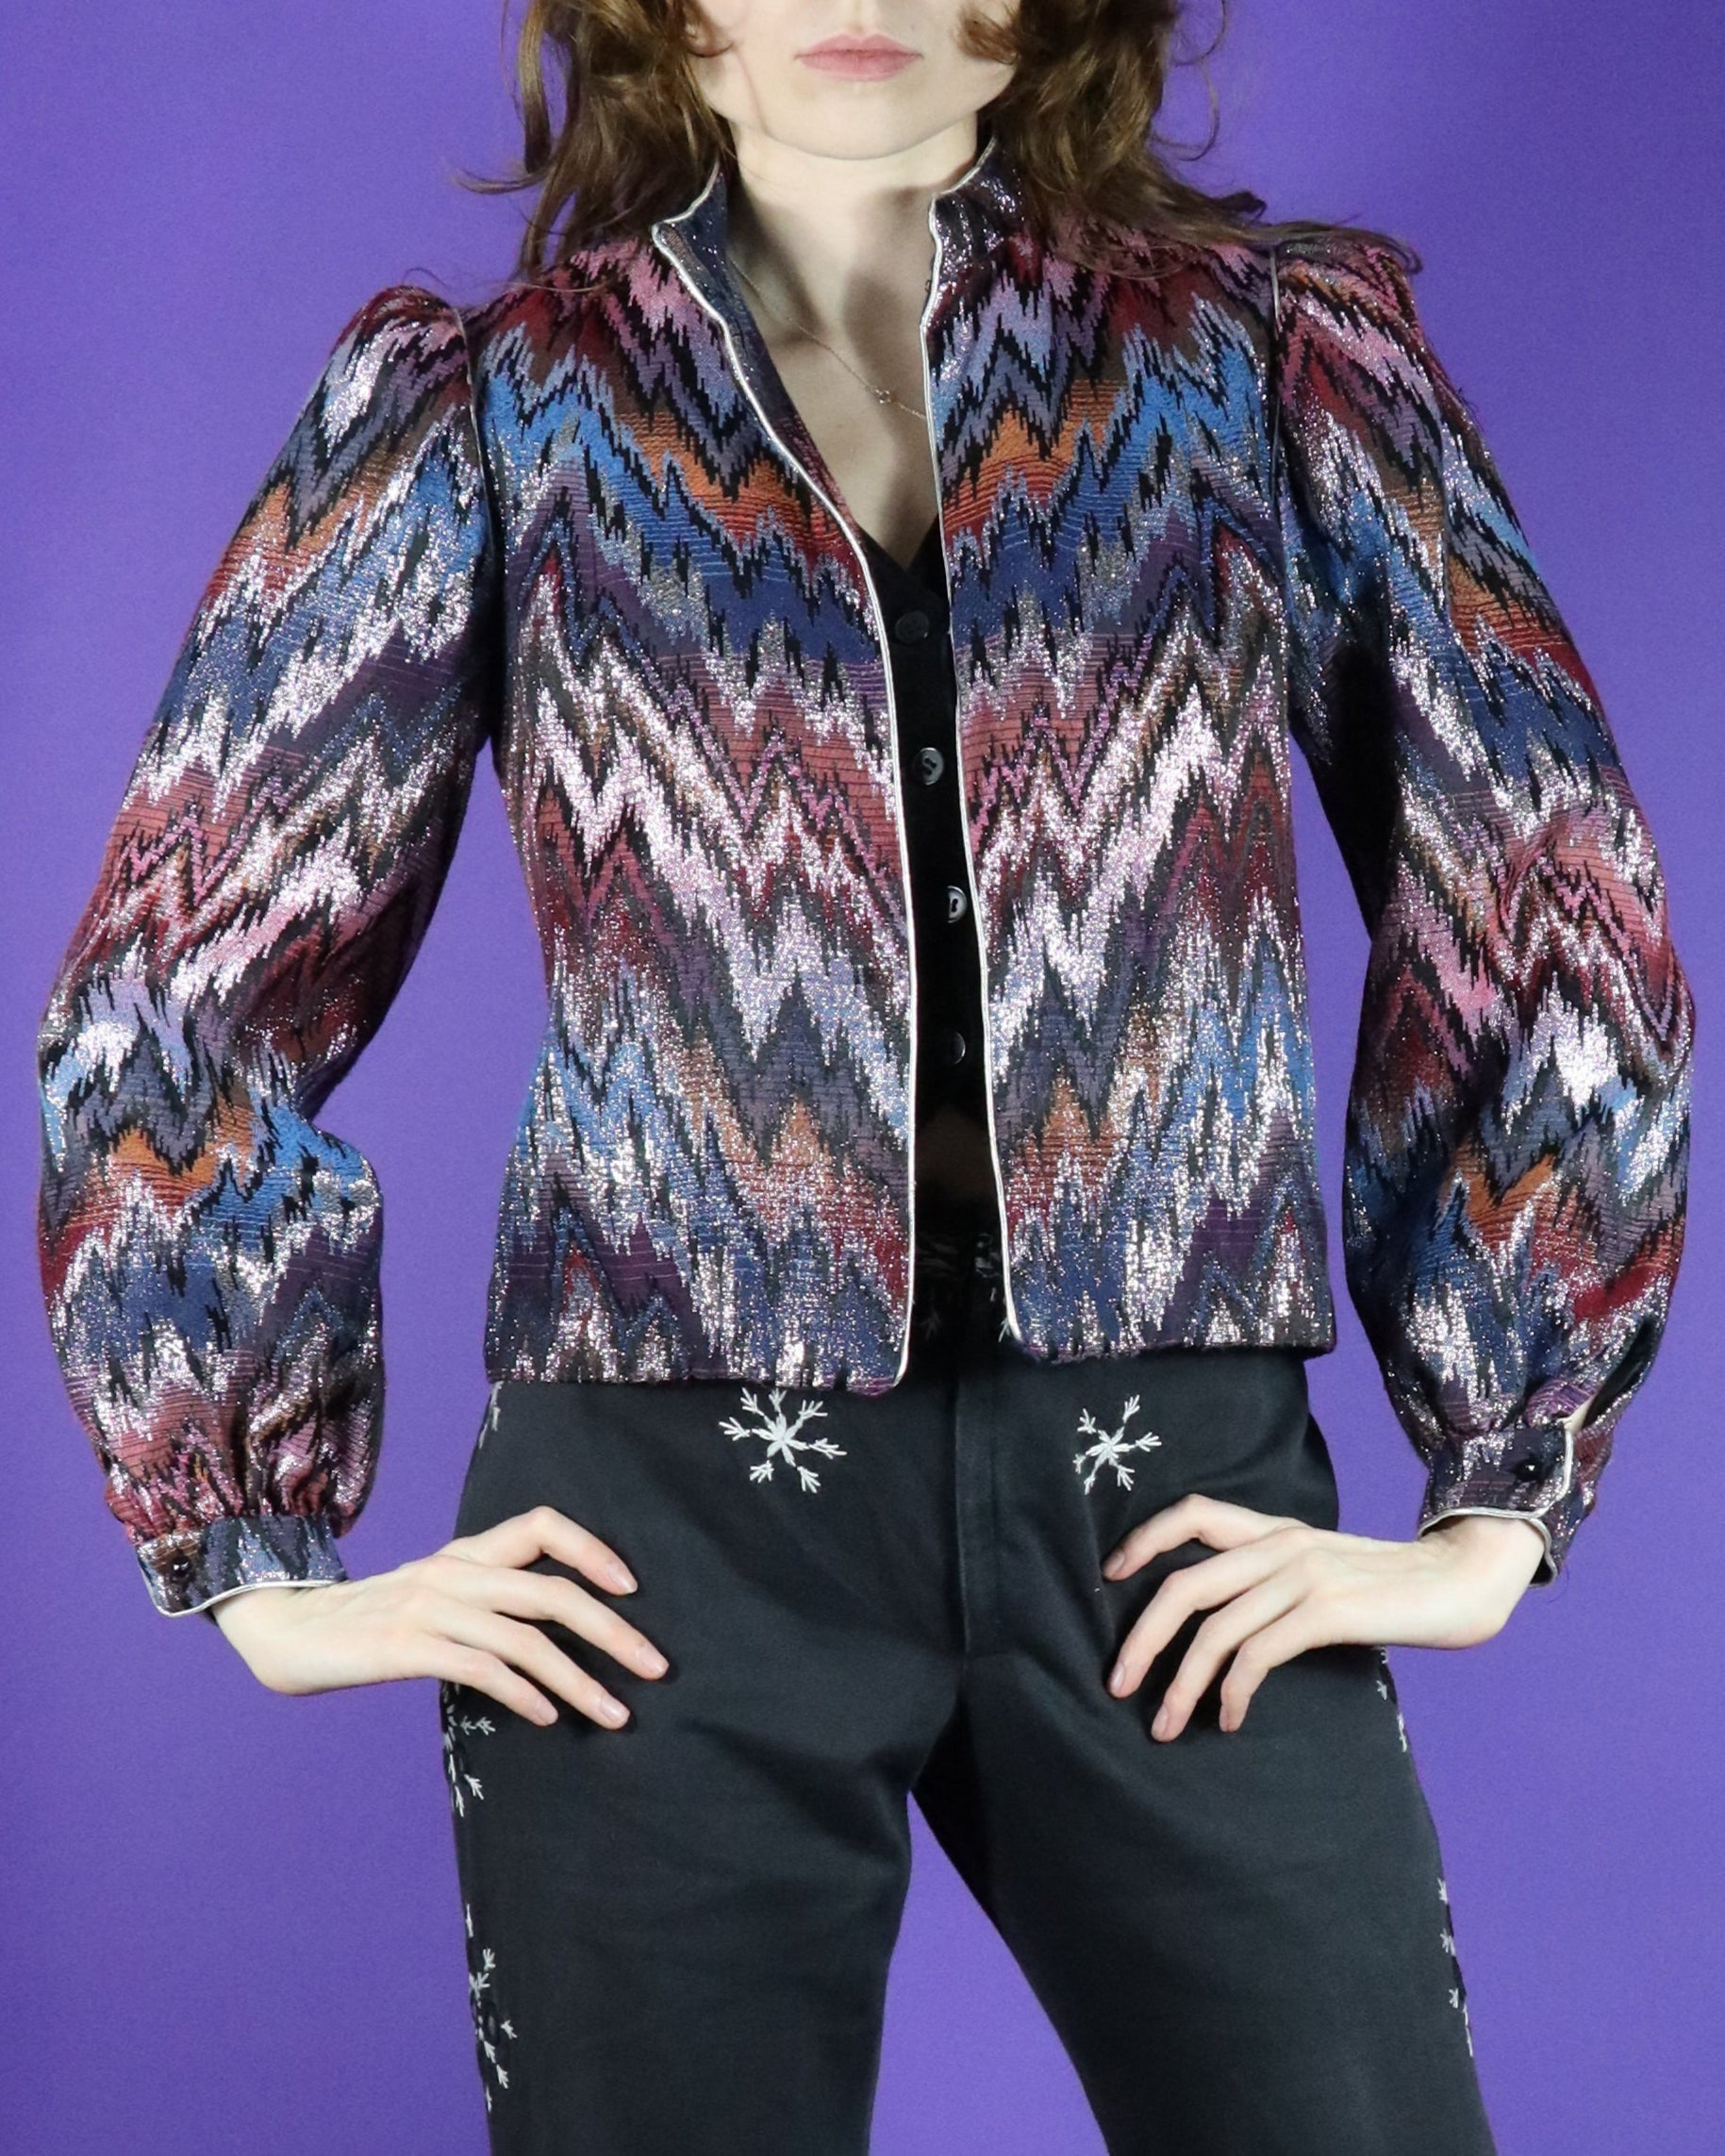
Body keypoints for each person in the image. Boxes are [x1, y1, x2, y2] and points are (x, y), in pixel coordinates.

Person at [34, 2, 1694, 2150]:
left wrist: (1505, 1483)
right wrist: (245, 1540)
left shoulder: (1265, 368)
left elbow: (1547, 881)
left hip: (1169, 1507)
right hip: (657, 1555)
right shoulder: (492, 410)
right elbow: (181, 974)